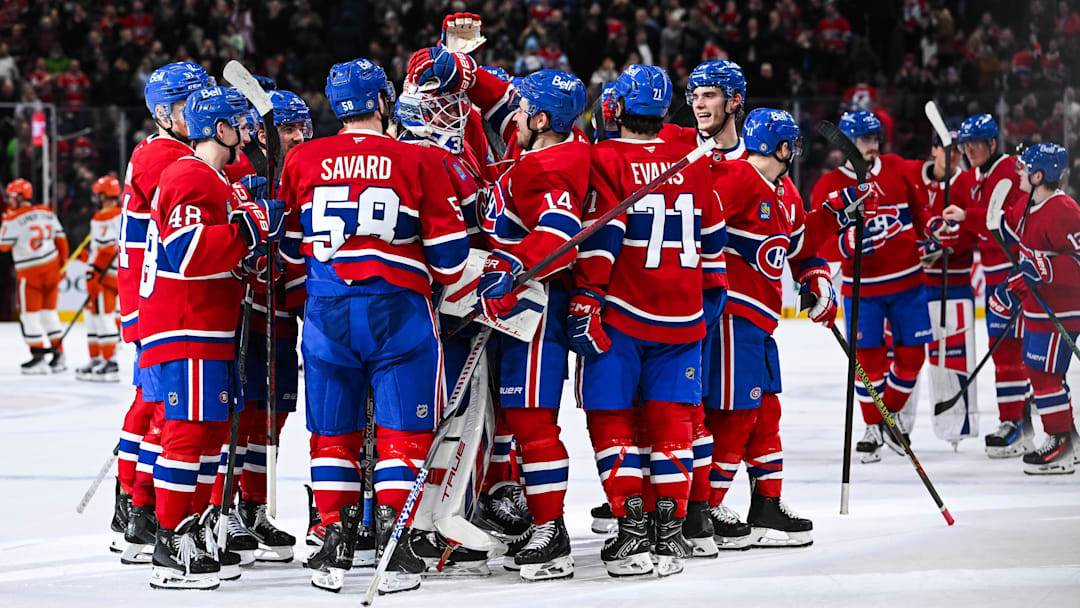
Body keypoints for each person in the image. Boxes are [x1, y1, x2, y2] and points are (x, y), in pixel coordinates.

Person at [282, 58, 469, 595]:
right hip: (398, 310)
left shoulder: (302, 158)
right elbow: (452, 258)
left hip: (326, 310)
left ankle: (331, 534)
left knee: (332, 432)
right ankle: (394, 537)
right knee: (401, 432)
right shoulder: (417, 158)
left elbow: (292, 252)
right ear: (383, 101)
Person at [571, 64, 725, 578]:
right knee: (673, 424)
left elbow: (599, 240)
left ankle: (631, 532)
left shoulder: (604, 158)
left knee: (611, 418)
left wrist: (587, 296)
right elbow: (715, 242)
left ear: (618, 107)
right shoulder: (695, 162)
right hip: (683, 314)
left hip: (622, 313)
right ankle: (671, 531)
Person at [140, 85, 282, 590]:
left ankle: (194, 528)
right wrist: (247, 232)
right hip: (185, 327)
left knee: (207, 437)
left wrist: (254, 242)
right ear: (218, 128)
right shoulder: (190, 174)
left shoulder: (213, 177)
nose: (247, 130)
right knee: (186, 436)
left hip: (207, 328)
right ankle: (168, 540)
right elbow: (188, 252)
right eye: (238, 122)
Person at [454, 59, 590, 581]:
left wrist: (514, 264)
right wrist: (462, 65)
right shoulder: (538, 144)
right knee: (509, 421)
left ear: (540, 121)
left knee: (532, 420)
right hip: (510, 307)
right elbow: (502, 98)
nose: (518, 109)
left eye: (526, 107)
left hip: (535, 308)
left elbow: (560, 233)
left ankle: (550, 531)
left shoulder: (551, 166)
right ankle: (518, 515)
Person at [710, 108, 868, 547]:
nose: (795, 152)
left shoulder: (784, 191)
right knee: (734, 414)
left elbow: (798, 245)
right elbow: (702, 230)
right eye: (792, 145)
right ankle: (703, 507)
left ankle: (766, 505)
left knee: (765, 413)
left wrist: (833, 220)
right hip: (731, 318)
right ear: (782, 147)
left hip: (760, 321)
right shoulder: (738, 179)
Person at [205, 89, 313, 566]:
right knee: (241, 414)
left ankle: (252, 507)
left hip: (286, 314)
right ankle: (220, 508)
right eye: (288, 127)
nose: (298, 136)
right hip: (247, 312)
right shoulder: (240, 177)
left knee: (273, 416)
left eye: (302, 127)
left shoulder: (310, 171)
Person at [112, 61, 212, 565]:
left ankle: (132, 505)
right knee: (159, 413)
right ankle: (137, 507)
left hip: (143, 296)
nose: (193, 114)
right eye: (183, 107)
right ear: (162, 113)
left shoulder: (159, 150)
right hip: (152, 302)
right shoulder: (165, 158)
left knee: (151, 408)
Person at [813, 111, 934, 462]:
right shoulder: (829, 184)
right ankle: (872, 426)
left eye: (874, 137)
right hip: (862, 288)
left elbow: (920, 210)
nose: (872, 144)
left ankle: (887, 417)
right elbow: (817, 241)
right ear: (847, 143)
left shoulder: (897, 167)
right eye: (864, 139)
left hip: (909, 282)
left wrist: (931, 233)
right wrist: (845, 243)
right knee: (868, 362)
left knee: (913, 358)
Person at [982, 143, 1080, 474]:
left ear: (1039, 176)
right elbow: (1020, 249)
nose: (1018, 171)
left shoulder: (1064, 209)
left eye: (1024, 168)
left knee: (1045, 375)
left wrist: (1046, 270)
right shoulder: (1028, 204)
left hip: (1062, 310)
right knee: (1041, 374)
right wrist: (1010, 292)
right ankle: (1069, 439)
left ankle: (1061, 442)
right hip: (1038, 307)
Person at [943, 114, 1033, 458]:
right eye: (965, 145)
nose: (969, 150)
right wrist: (945, 240)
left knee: (1028, 352)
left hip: (1020, 273)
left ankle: (1042, 422)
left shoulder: (1011, 170)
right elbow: (968, 234)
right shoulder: (967, 179)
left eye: (976, 143)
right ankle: (1014, 421)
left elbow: (1012, 223)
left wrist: (969, 217)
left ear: (993, 143)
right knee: (1004, 352)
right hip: (995, 278)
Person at [904, 128, 982, 446]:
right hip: (912, 288)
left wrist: (953, 241)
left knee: (953, 358)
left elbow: (975, 227)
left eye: (957, 151)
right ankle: (895, 426)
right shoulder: (910, 176)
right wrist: (918, 248)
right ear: (933, 149)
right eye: (947, 150)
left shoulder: (967, 182)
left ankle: (956, 427)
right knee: (904, 359)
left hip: (955, 285)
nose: (953, 157)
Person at [0, 178, 68, 374]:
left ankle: (38, 357)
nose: (9, 200)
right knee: (49, 315)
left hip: (30, 273)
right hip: (52, 268)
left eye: (12, 196)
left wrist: (8, 218)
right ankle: (59, 354)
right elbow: (61, 241)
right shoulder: (46, 212)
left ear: (21, 197)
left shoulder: (12, 218)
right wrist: (62, 266)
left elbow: (4, 246)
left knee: (30, 317)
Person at [76, 175, 123, 383]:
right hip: (112, 271)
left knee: (102, 316)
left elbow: (105, 250)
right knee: (94, 316)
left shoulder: (103, 218)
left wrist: (94, 272)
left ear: (103, 196)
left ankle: (109, 361)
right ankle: (96, 359)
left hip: (104, 275)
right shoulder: (122, 214)